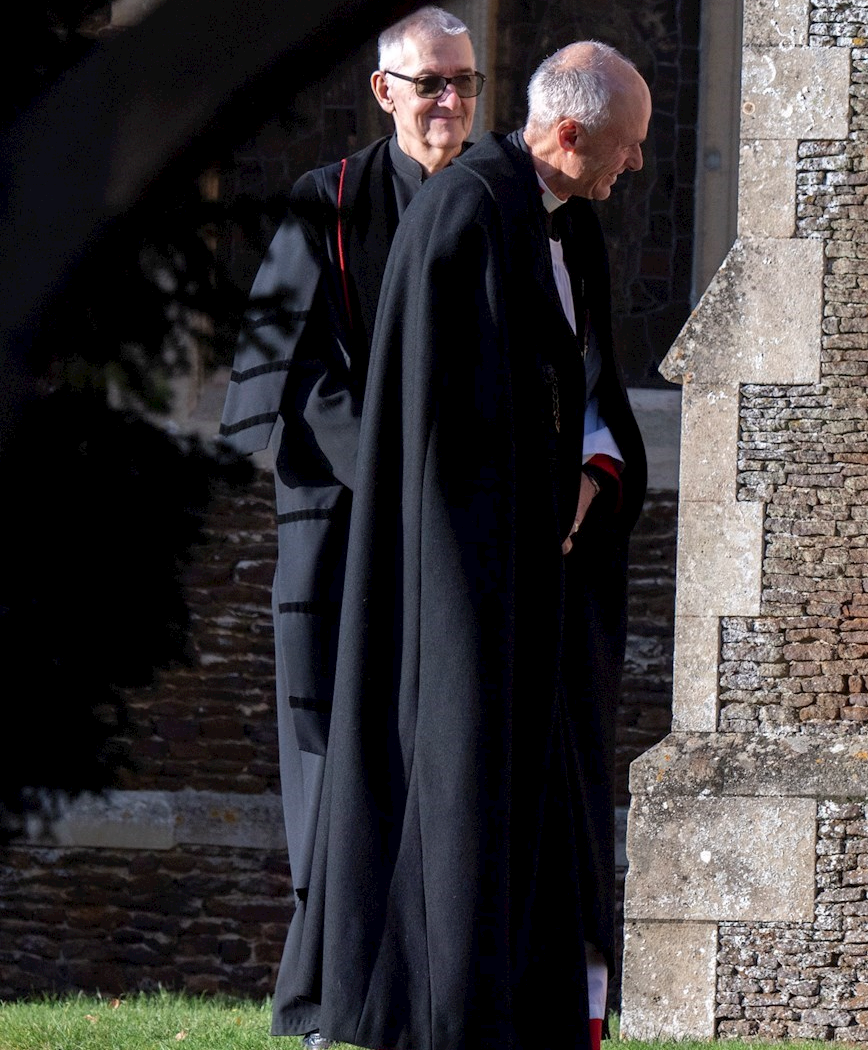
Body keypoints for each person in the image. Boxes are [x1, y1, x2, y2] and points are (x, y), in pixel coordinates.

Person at [269, 41, 649, 1050]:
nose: (637, 166)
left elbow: (586, 390)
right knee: (460, 820)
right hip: (467, 596)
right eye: (626, 145)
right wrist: (531, 500)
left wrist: (595, 471)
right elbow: (443, 436)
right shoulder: (467, 217)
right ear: (568, 134)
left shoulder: (567, 226)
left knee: (551, 827)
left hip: (541, 600)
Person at [214, 7, 483, 1040]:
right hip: (338, 532)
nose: (450, 102)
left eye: (465, 81)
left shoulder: (499, 206)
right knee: (331, 763)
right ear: (384, 92)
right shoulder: (321, 206)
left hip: (456, 540)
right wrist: (396, 473)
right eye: (429, 84)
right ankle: (326, 994)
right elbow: (289, 379)